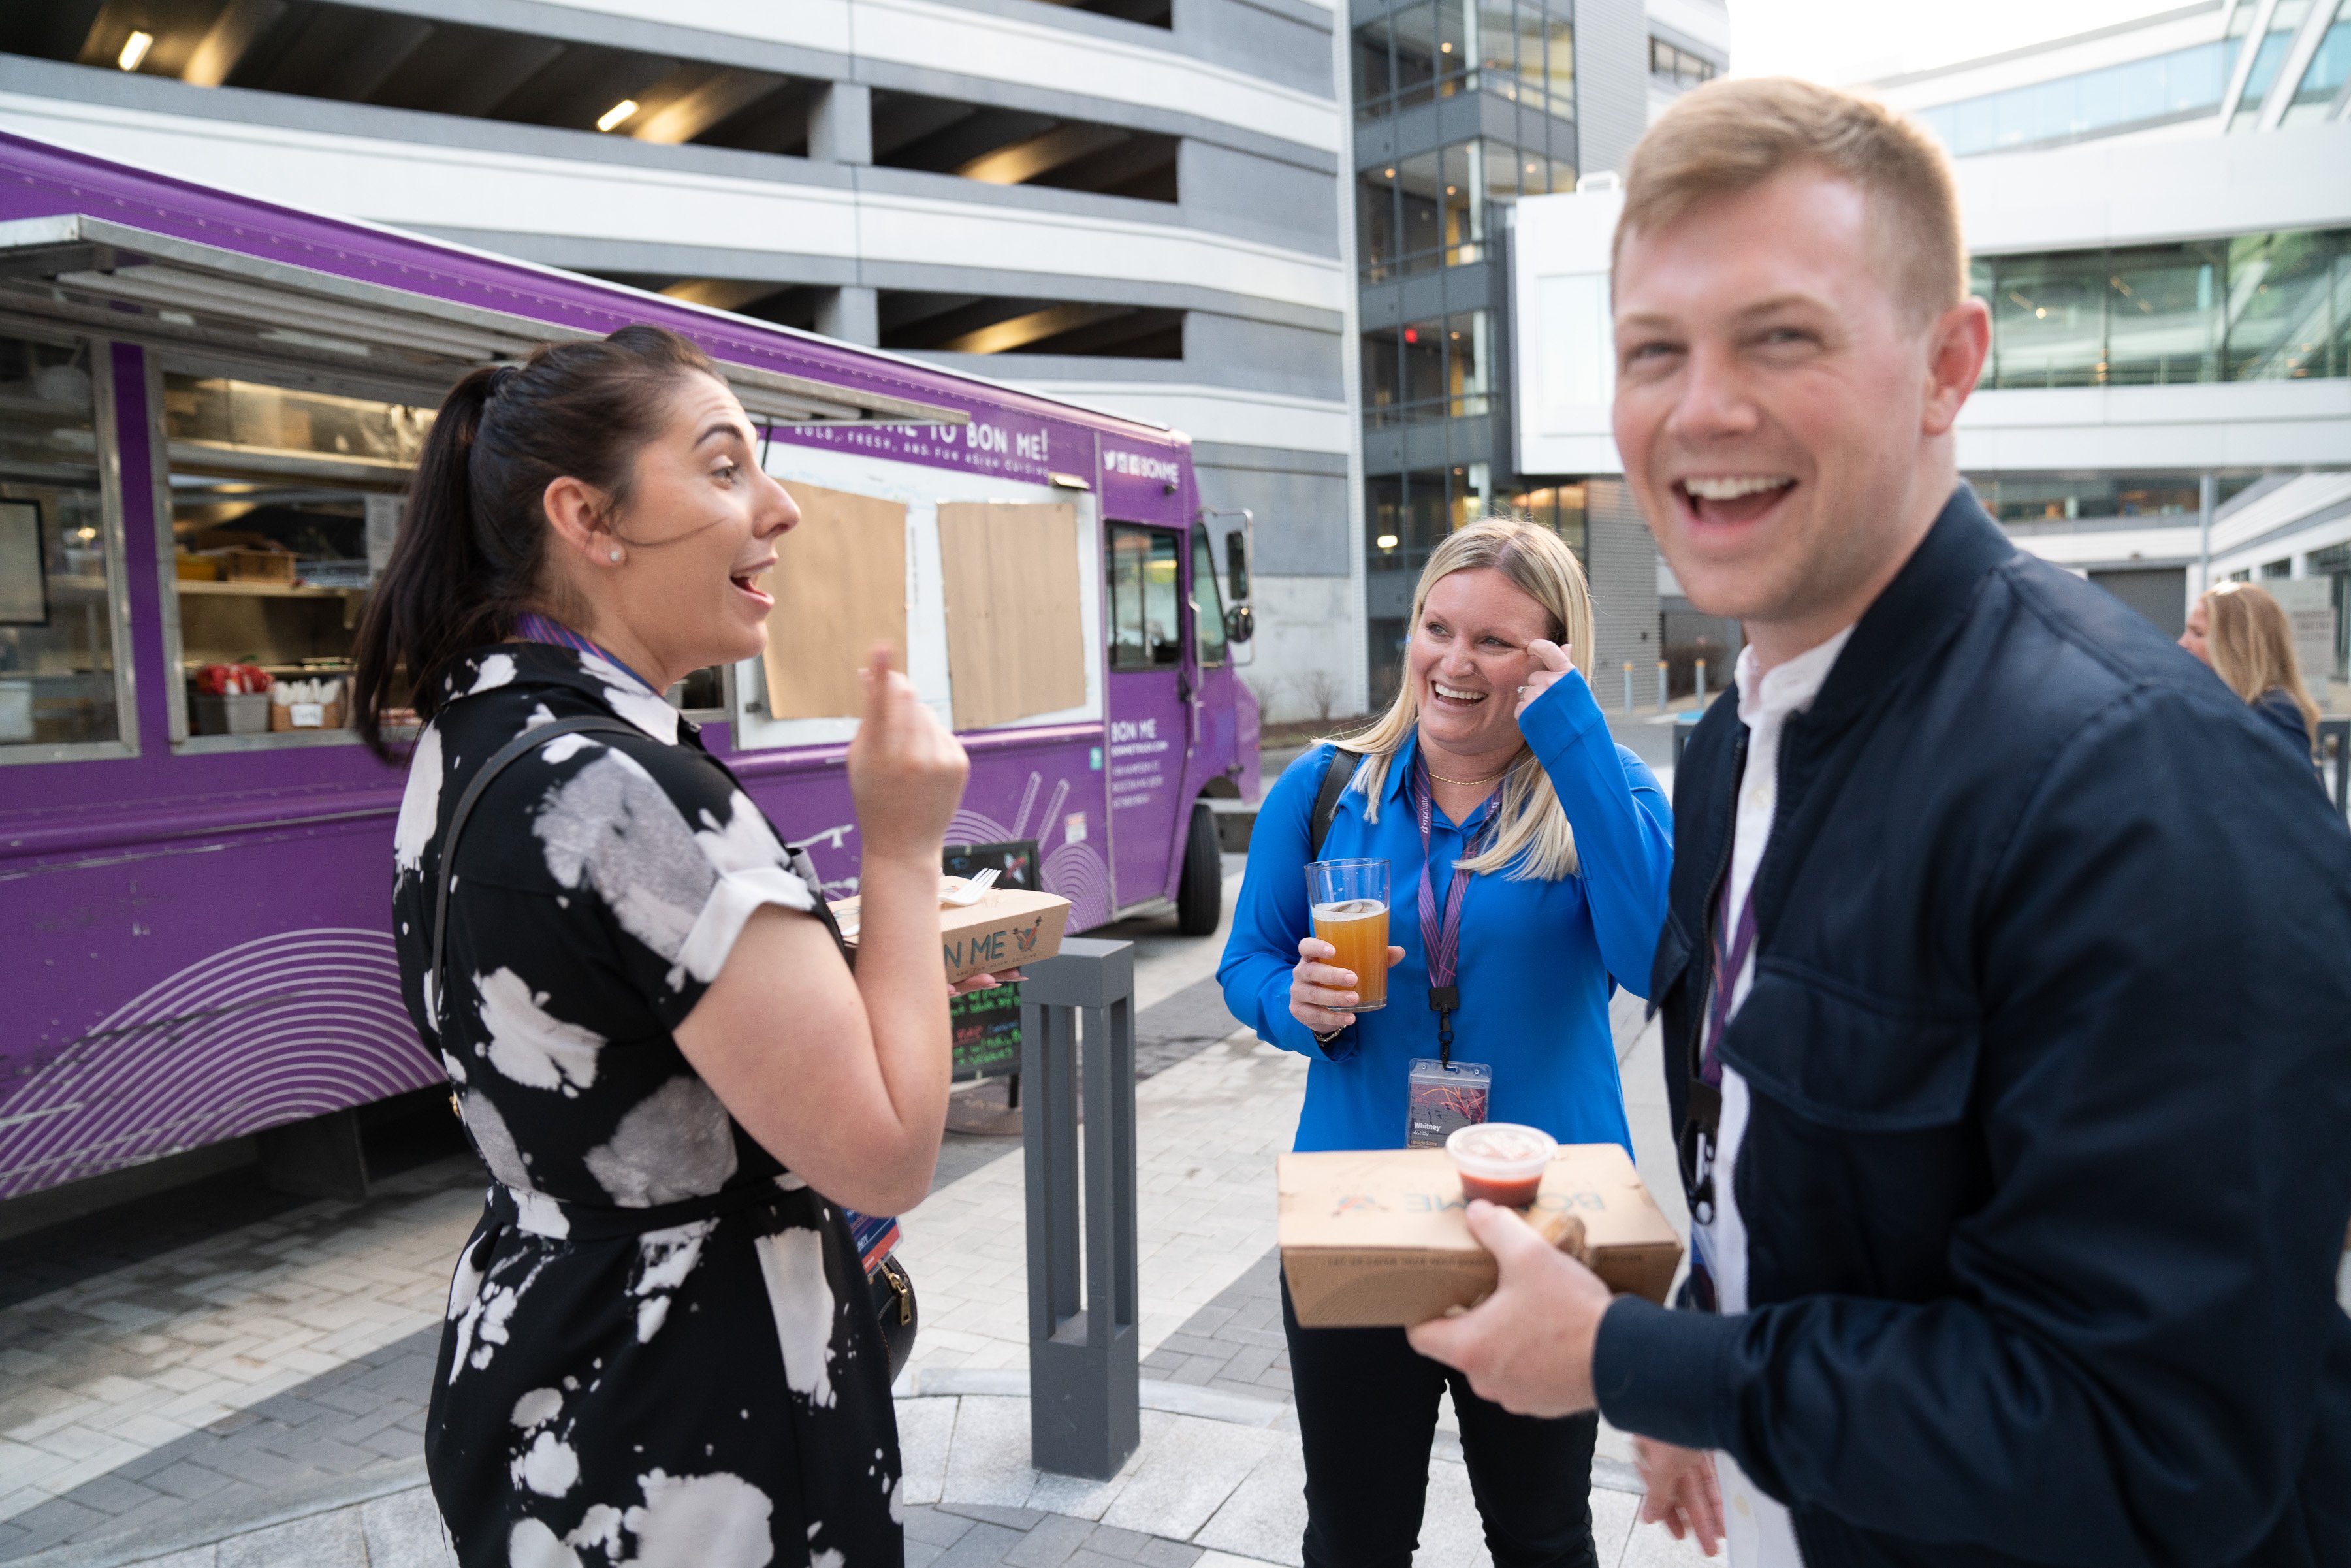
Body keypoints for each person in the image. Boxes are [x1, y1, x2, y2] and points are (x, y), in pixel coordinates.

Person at [1404, 78, 2351, 1566]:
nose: (1700, 406)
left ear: (1945, 364)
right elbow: (1775, 1163)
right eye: (1654, 350)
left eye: (1780, 337)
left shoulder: (2144, 793)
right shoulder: (1733, 741)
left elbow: (2156, 1443)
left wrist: (1636, 1362)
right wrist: (1710, 1365)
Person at [353, 325, 1009, 1566]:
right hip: (699, 1418)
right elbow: (883, 1156)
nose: (783, 506)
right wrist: (908, 848)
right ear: (588, 519)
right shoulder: (630, 788)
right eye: (723, 467)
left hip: (540, 1361)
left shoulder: (471, 741)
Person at [1219, 518, 1672, 1568]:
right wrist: (1298, 1005)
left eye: (1497, 643)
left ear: (1554, 658)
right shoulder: (1328, 788)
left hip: (1547, 1226)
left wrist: (1575, 739)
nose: (1455, 664)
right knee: (1355, 1537)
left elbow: (1658, 961)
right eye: (1438, 629)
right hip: (1358, 1213)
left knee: (1544, 1534)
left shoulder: (1606, 797)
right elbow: (1245, 962)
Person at [2181, 579, 2322, 761]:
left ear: (2239, 646)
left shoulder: (2274, 713)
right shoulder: (2229, 703)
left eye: (2198, 633)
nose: (2182, 644)